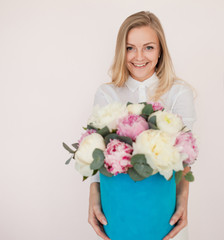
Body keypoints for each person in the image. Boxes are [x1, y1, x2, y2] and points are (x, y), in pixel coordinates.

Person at [88, 11, 196, 240]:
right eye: (130, 48)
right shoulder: (106, 94)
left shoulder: (179, 93)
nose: (139, 56)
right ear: (121, 51)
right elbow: (95, 154)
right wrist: (93, 198)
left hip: (165, 213)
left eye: (148, 47)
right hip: (119, 214)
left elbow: (186, 156)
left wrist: (184, 201)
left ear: (160, 51)